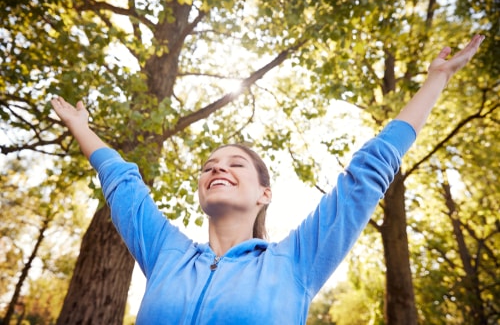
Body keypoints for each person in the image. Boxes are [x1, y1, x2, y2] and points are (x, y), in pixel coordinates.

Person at [51, 34, 484, 324]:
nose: (217, 167)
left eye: (235, 163)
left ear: (265, 193)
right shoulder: (167, 254)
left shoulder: (294, 261)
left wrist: (436, 80)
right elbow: (123, 186)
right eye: (209, 165)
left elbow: (369, 172)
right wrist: (81, 127)